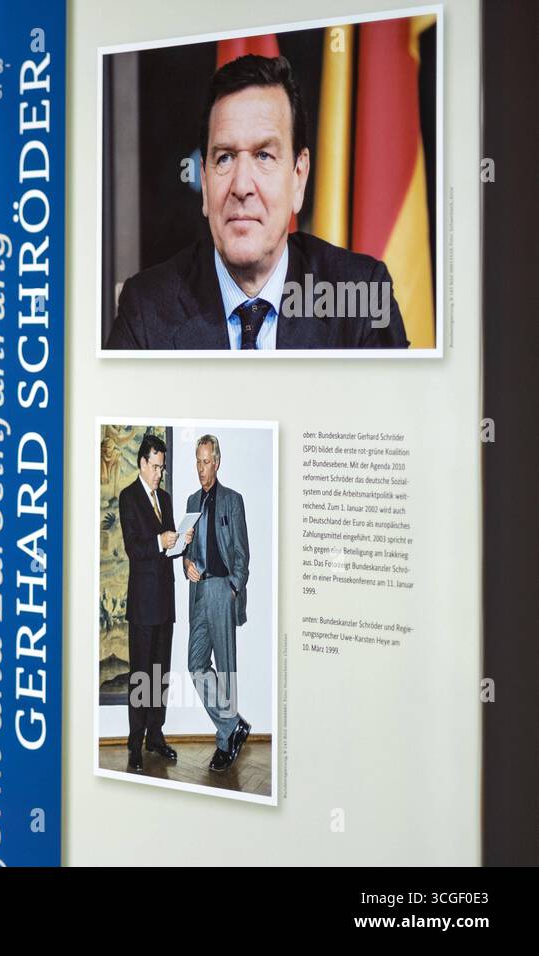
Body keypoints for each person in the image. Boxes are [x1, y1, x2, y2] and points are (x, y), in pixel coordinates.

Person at [105, 54, 410, 351]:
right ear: (206, 184)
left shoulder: (361, 295)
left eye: (264, 155)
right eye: (224, 158)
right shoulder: (146, 310)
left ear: (299, 176)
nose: (241, 187)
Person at [118, 434, 192, 771]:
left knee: (159, 674)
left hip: (165, 601)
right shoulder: (128, 497)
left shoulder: (165, 497)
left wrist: (180, 542)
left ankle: (155, 735)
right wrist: (159, 541)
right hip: (143, 604)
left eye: (163, 467)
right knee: (140, 676)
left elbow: (167, 549)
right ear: (143, 463)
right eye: (157, 467)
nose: (160, 473)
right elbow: (135, 548)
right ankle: (135, 743)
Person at [181, 435, 251, 771]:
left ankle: (225, 744)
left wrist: (233, 587)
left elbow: (241, 553)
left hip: (222, 590)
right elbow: (186, 550)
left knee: (226, 669)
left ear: (217, 462)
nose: (201, 467)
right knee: (196, 665)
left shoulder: (232, 501)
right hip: (200, 592)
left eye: (206, 461)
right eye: (197, 460)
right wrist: (186, 564)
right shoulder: (192, 501)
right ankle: (232, 725)